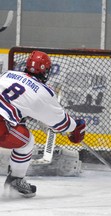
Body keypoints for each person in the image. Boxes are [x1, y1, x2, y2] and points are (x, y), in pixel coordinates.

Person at [0, 50, 86, 198]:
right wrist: (77, 127)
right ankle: (16, 179)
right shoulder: (42, 92)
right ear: (46, 71)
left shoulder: (8, 74)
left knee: (21, 134)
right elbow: (62, 124)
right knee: (27, 142)